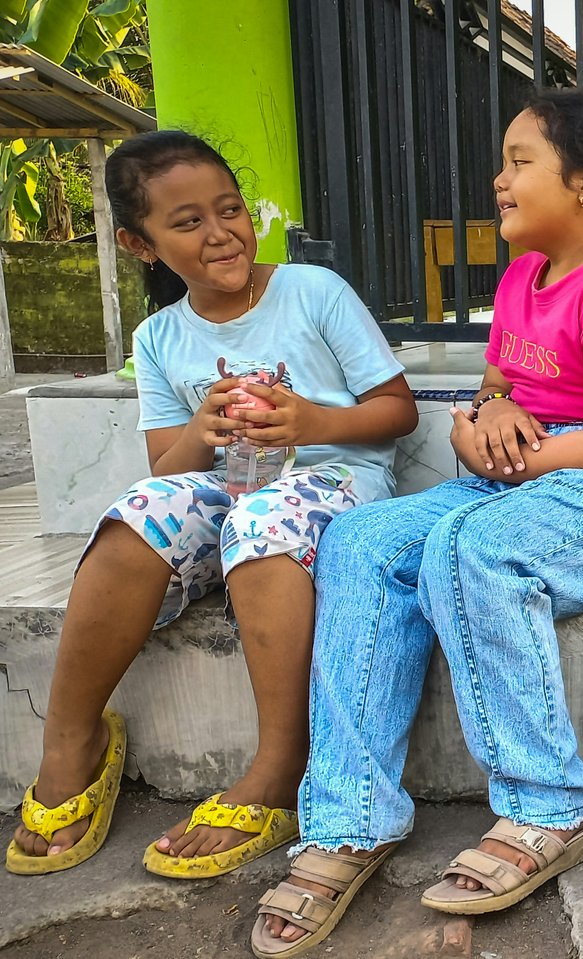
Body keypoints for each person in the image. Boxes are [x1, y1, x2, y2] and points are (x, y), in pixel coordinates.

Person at [251, 90, 583, 957]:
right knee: (361, 539)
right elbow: (498, 386)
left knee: (473, 547)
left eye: (519, 161)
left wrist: (511, 454)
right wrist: (478, 419)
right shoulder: (525, 276)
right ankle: (350, 817)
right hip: (525, 475)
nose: (498, 179)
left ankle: (546, 807)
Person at [5, 131, 416, 880]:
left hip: (337, 478)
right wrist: (204, 428)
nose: (221, 232)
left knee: (262, 519)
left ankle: (280, 765)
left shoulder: (311, 291)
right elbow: (167, 466)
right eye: (188, 221)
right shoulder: (160, 337)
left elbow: (396, 410)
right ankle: (72, 743)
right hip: (234, 481)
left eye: (230, 209)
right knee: (138, 511)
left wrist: (311, 421)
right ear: (140, 243)